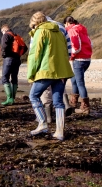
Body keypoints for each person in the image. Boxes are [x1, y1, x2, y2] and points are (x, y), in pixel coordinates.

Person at [27, 12, 74, 141]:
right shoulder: (60, 31)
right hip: (61, 71)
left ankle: (42, 124)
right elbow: (67, 50)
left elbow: (34, 55)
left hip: (46, 70)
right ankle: (59, 132)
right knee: (58, 102)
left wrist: (31, 74)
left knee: (33, 95)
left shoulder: (40, 31)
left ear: (35, 23)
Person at [64, 16, 92, 115]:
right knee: (74, 80)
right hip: (87, 59)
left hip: (79, 59)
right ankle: (73, 102)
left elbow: (76, 46)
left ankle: (85, 107)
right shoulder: (83, 30)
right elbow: (90, 43)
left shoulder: (72, 31)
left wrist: (71, 56)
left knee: (80, 82)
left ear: (67, 23)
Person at [0, 24, 28, 106]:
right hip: (17, 59)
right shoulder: (17, 36)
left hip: (9, 59)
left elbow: (4, 46)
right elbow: (25, 48)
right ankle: (13, 99)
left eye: (2, 32)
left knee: (5, 78)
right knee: (14, 78)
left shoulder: (6, 35)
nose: (2, 33)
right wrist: (19, 54)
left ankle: (9, 99)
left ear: (4, 30)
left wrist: (4, 55)